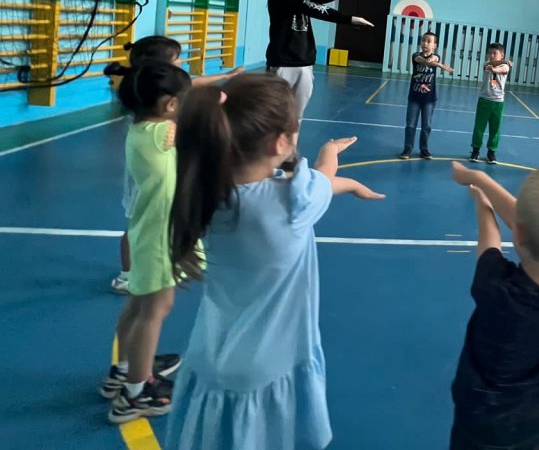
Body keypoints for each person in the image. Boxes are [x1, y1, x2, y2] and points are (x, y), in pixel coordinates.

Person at [164, 74, 385, 450]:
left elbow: (315, 183)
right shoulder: (292, 201)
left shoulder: (207, 189)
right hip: (266, 370)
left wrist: (343, 182)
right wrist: (331, 154)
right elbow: (322, 178)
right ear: (281, 142)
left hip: (208, 359)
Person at [449, 161, 539, 450]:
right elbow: (536, 228)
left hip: (478, 421)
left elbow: (490, 238)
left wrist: (482, 199)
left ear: (517, 232)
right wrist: (481, 180)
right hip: (530, 420)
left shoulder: (498, 290)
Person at [104, 36, 243, 294]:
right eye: (176, 59)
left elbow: (190, 92)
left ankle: (167, 262)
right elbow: (194, 119)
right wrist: (220, 100)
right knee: (140, 227)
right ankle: (130, 274)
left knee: (148, 224)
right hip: (150, 187)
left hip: (156, 181)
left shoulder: (147, 109)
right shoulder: (161, 129)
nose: (180, 62)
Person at [102, 61, 192, 423]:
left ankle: (124, 370)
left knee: (138, 306)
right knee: (154, 310)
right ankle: (136, 394)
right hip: (159, 235)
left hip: (148, 229)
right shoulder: (162, 132)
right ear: (170, 105)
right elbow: (201, 131)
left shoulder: (141, 129)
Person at [266, 0, 374, 119]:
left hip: (304, 62)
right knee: (275, 114)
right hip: (283, 62)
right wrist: (349, 19)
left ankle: (291, 137)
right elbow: (312, 7)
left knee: (296, 116)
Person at [400, 30, 454, 160]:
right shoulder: (415, 55)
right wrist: (441, 66)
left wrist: (436, 61)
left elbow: (433, 59)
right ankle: (407, 149)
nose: (425, 43)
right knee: (410, 125)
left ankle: (424, 149)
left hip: (429, 99)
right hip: (414, 97)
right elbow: (423, 61)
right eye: (423, 40)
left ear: (434, 46)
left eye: (429, 41)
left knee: (426, 126)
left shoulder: (436, 56)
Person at [468, 42, 512, 164]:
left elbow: (503, 69)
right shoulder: (486, 64)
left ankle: (491, 152)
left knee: (495, 129)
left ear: (502, 55)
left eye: (494, 53)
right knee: (479, 127)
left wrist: (498, 67)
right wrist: (496, 66)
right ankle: (475, 150)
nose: (491, 55)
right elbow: (492, 66)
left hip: (498, 103)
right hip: (484, 101)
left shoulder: (506, 66)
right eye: (489, 53)